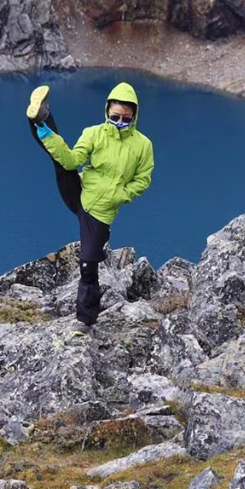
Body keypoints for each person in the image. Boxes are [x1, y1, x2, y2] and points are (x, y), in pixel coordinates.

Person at [25, 79, 154, 329]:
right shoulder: (93, 133)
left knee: (88, 264)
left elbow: (143, 180)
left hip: (102, 213)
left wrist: (121, 195)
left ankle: (86, 319)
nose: (119, 122)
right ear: (107, 111)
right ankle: (40, 119)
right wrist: (47, 135)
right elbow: (73, 160)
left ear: (134, 116)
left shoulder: (143, 145)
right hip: (80, 192)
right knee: (61, 163)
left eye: (126, 118)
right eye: (115, 116)